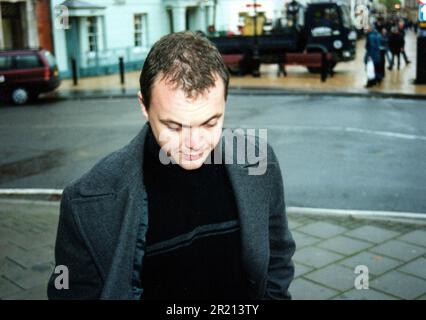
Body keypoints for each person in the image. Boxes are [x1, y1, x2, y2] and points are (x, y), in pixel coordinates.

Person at [47, 31, 296, 300]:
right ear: (144, 105)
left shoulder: (258, 161)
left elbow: (278, 256)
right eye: (174, 126)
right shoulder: (87, 200)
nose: (194, 143)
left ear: (225, 101)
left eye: (210, 123)